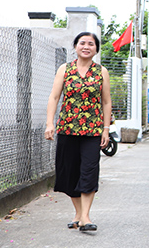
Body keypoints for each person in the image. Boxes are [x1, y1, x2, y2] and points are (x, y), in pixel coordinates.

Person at [45, 32, 112, 232]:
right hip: (67, 128)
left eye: (91, 44)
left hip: (93, 130)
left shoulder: (101, 72)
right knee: (69, 171)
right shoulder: (64, 69)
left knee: (89, 170)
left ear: (96, 49)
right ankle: (78, 213)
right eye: (82, 43)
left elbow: (106, 102)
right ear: (75, 46)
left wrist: (106, 129)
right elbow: (54, 97)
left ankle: (85, 216)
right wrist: (50, 124)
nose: (86, 46)